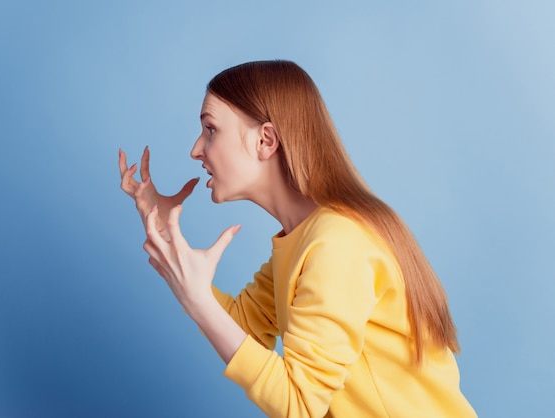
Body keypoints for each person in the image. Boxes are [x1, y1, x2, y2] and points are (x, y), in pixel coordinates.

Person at [119, 60, 477, 417]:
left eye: (211, 129)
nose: (196, 149)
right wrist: (163, 231)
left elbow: (299, 404)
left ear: (266, 140)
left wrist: (197, 299)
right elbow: (244, 327)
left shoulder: (338, 243)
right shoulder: (309, 236)